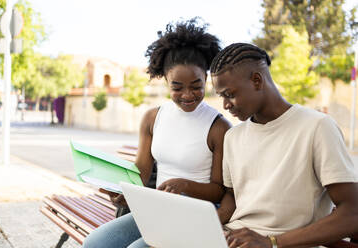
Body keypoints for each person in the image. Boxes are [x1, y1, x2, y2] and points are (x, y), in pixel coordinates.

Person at [83, 18, 231, 248]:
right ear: (165, 80)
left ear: (207, 79)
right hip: (157, 209)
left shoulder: (218, 127)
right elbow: (141, 174)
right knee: (95, 243)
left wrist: (185, 186)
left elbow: (219, 191)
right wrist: (123, 193)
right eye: (177, 87)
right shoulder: (153, 118)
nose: (188, 95)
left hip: (196, 215)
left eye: (196, 85)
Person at [210, 43, 358, 248]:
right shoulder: (233, 136)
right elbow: (231, 197)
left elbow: (352, 213)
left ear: (256, 81)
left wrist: (271, 242)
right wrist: (207, 226)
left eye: (230, 94)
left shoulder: (317, 126)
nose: (225, 105)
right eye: (222, 97)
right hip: (234, 239)